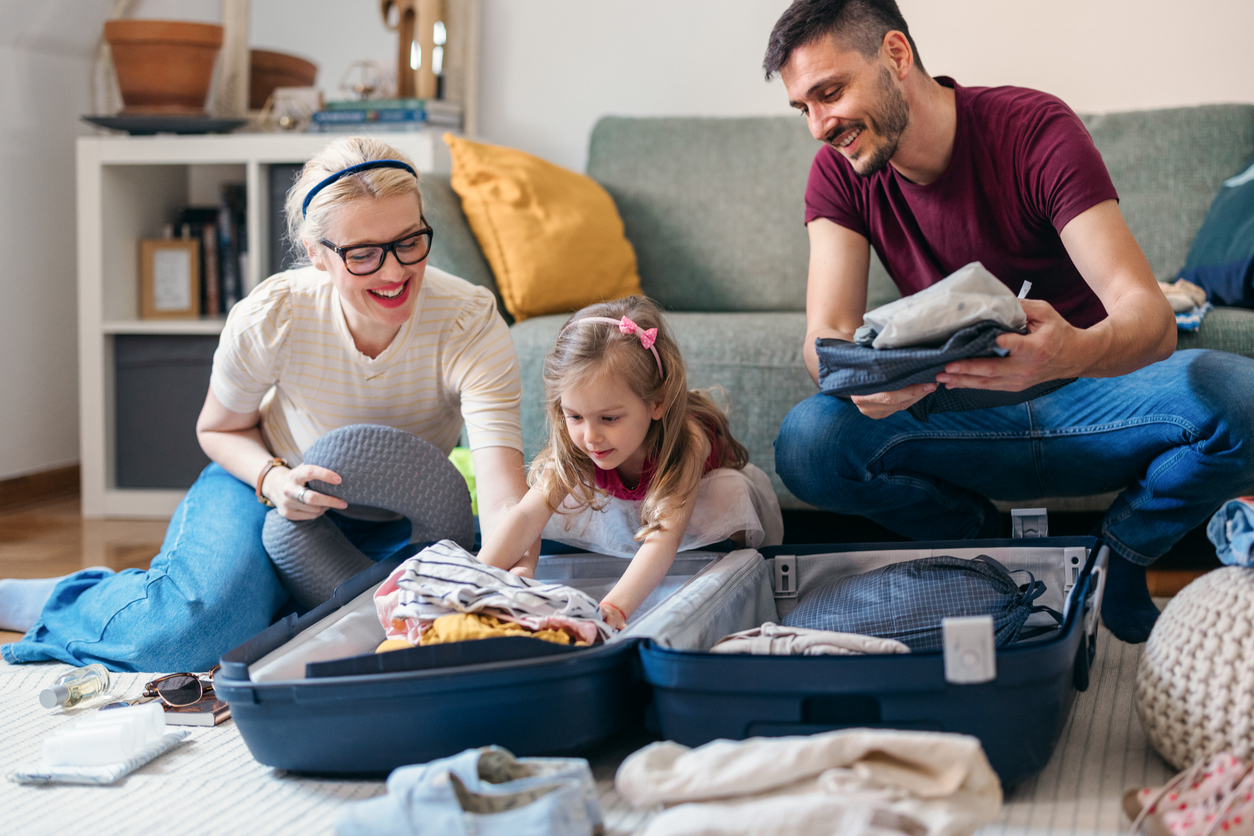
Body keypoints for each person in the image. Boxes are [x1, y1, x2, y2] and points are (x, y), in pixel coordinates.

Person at [765, 0, 1254, 643]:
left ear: (896, 55)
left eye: (829, 93)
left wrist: (1071, 354)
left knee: (1245, 400)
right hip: (958, 403)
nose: (819, 125)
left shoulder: (1033, 127)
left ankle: (1124, 553)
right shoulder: (838, 171)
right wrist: (863, 381)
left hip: (1091, 390)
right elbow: (824, 338)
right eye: (804, 107)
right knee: (808, 441)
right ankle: (985, 552)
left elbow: (1152, 320)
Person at [0, 136, 531, 671]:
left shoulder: (467, 321)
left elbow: (503, 493)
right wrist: (275, 480)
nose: (394, 272)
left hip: (397, 514)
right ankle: (74, 596)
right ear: (317, 255)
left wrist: (500, 595)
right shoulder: (274, 315)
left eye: (409, 241)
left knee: (389, 630)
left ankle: (262, 593)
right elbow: (219, 429)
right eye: (363, 253)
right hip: (263, 482)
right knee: (182, 640)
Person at [476, 296, 783, 630]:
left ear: (657, 403)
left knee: (728, 494)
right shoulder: (579, 443)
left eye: (609, 418)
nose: (590, 436)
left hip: (689, 512)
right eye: (575, 415)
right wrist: (470, 578)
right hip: (630, 503)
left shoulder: (688, 440)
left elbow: (663, 539)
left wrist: (613, 610)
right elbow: (525, 516)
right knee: (548, 490)